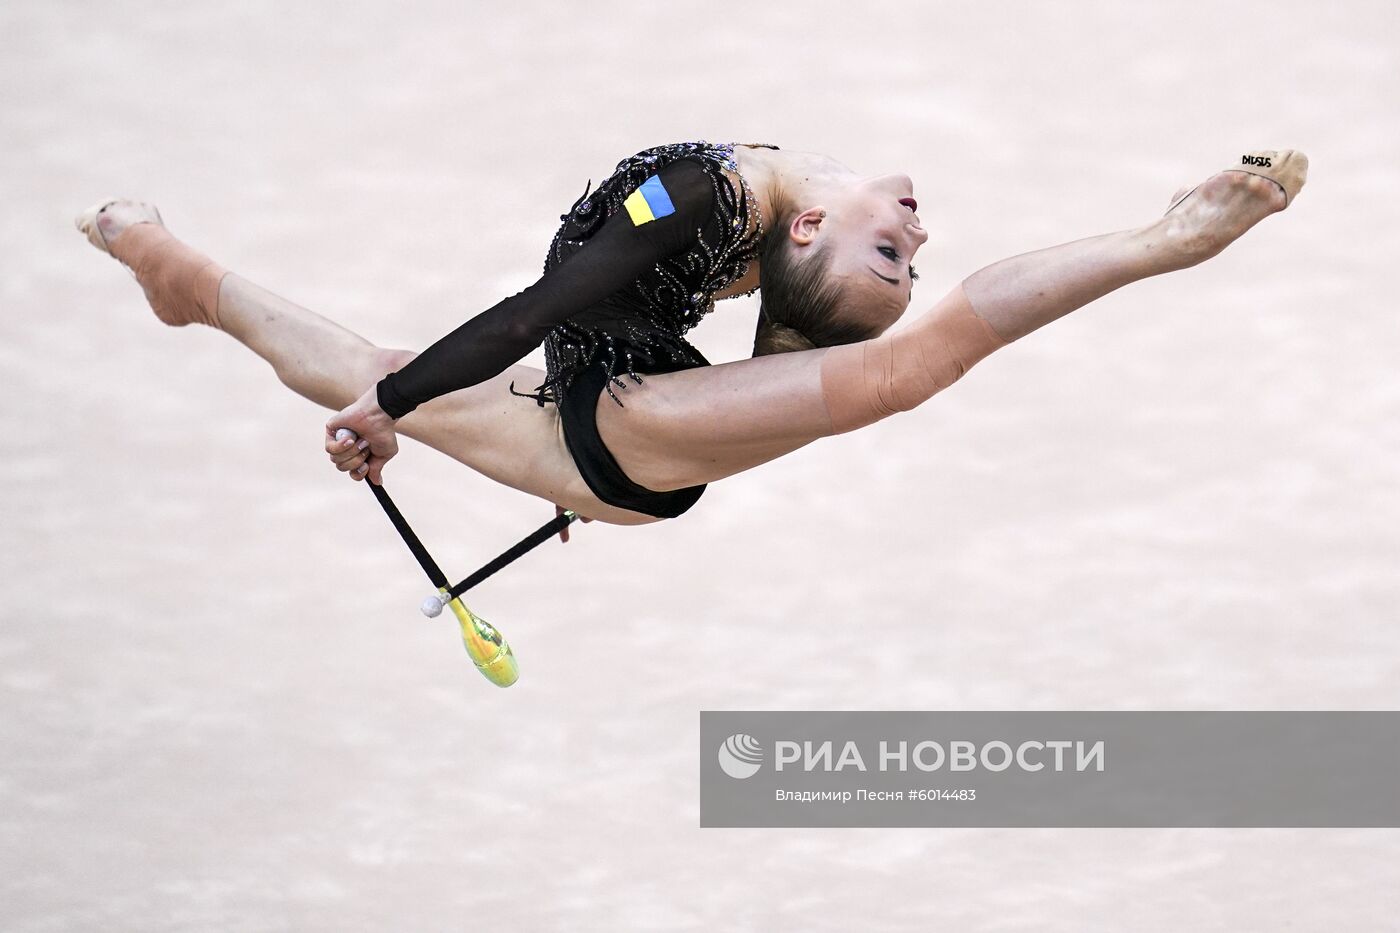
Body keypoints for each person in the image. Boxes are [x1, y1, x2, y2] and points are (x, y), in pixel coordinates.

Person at [75, 142, 1308, 531]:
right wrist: (392, 409)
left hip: (616, 427)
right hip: (609, 438)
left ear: (805, 236)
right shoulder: (718, 214)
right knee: (370, 371)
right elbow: (545, 319)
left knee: (901, 367)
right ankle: (168, 267)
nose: (921, 231)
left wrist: (393, 412)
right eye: (904, 253)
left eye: (898, 255)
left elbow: (545, 316)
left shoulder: (736, 210)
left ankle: (1165, 240)